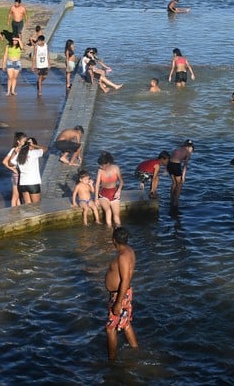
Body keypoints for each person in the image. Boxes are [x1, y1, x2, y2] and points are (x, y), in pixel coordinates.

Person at [105, 227, 138, 363]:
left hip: (120, 295)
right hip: (123, 294)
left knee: (110, 328)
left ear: (114, 240)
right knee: (125, 324)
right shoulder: (129, 251)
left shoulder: (123, 256)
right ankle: (136, 350)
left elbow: (125, 279)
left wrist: (118, 302)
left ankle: (111, 361)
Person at [95, 151, 124, 228]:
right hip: (103, 194)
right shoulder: (100, 171)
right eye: (99, 165)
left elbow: (121, 181)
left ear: (107, 163)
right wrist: (96, 198)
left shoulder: (115, 168)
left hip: (114, 193)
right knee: (108, 211)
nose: (100, 166)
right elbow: (97, 184)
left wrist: (119, 191)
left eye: (102, 165)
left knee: (116, 215)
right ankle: (109, 230)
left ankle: (119, 230)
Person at [17, 137, 48, 204]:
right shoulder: (34, 153)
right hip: (33, 183)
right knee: (37, 206)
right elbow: (45, 149)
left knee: (28, 206)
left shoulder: (19, 154)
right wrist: (34, 145)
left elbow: (11, 162)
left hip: (23, 183)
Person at [167, 139, 194, 208]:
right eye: (192, 148)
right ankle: (176, 202)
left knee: (174, 183)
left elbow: (171, 157)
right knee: (180, 184)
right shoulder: (187, 152)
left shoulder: (177, 149)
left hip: (169, 164)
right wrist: (183, 176)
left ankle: (171, 200)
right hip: (176, 165)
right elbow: (185, 165)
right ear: (189, 147)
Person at [2, 132, 27, 206]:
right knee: (15, 195)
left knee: (18, 195)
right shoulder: (14, 150)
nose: (25, 143)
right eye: (24, 141)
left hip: (19, 174)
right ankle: (13, 212)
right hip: (16, 175)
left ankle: (18, 210)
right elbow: (4, 162)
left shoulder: (23, 149)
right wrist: (12, 169)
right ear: (18, 142)